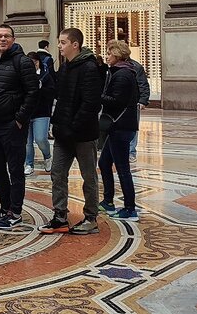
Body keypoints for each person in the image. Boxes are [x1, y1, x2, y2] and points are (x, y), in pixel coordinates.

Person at [39, 27, 103, 236]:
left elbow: (90, 104)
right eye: (59, 42)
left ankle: (91, 218)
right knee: (57, 173)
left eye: (63, 42)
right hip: (63, 133)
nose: (59, 46)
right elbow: (60, 98)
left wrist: (72, 127)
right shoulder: (65, 67)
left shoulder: (89, 68)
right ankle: (60, 217)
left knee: (88, 176)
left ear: (75, 44)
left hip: (83, 135)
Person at [0, 25, 39, 231]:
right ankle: (4, 206)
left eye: (6, 36)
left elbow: (33, 93)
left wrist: (20, 120)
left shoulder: (23, 62)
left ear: (13, 39)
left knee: (15, 169)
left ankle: (15, 211)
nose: (2, 39)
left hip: (12, 126)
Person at [98, 40, 140, 221]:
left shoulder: (122, 74)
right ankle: (108, 200)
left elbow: (116, 101)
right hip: (121, 125)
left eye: (109, 53)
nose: (107, 56)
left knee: (122, 168)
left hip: (120, 126)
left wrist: (98, 97)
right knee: (104, 162)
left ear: (116, 54)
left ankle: (130, 208)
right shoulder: (123, 71)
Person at [24, 50, 55, 176]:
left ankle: (47, 156)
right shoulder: (23, 76)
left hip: (42, 112)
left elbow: (52, 92)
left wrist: (41, 88)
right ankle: (29, 164)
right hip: (26, 113)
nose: (33, 65)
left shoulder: (46, 75)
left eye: (35, 62)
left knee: (41, 138)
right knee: (27, 142)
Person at [125, 50, 150, 161]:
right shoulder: (111, 67)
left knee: (132, 127)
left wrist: (143, 100)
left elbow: (143, 84)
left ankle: (131, 151)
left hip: (132, 102)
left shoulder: (136, 67)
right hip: (117, 102)